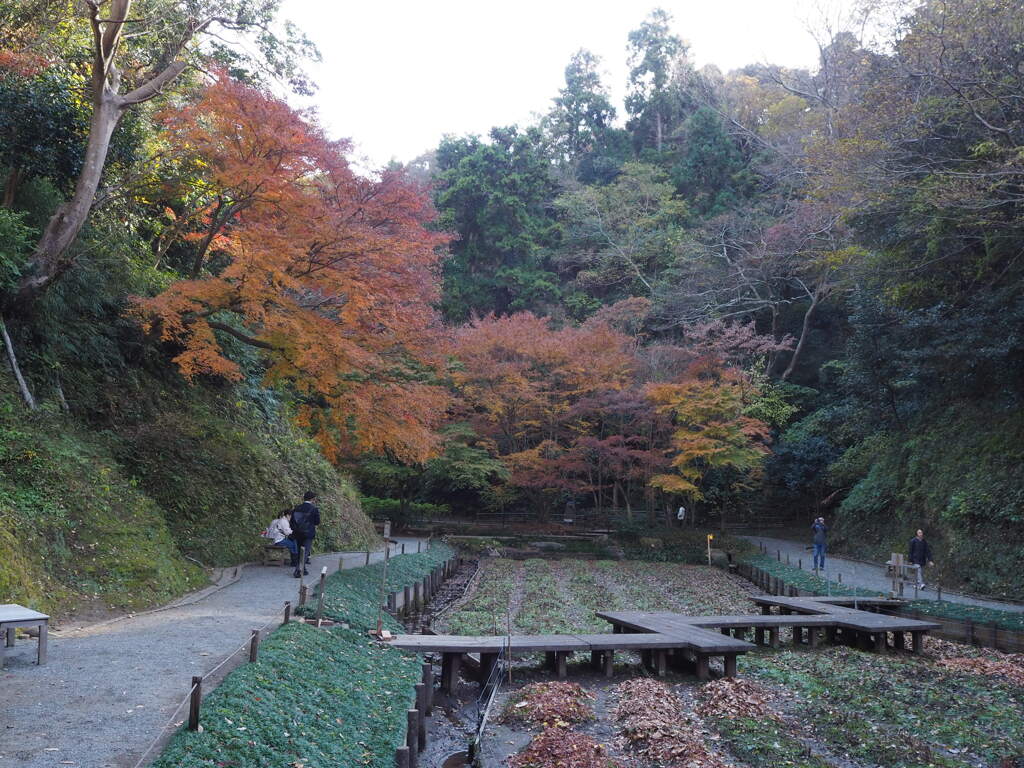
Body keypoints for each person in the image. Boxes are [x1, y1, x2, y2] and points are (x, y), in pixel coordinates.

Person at [290, 491, 321, 578]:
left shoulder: (296, 508)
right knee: (306, 551)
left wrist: (295, 529)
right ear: (312, 499)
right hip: (308, 533)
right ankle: (298, 570)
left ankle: (303, 569)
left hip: (298, 533)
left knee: (300, 551)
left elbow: (292, 522)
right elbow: (317, 522)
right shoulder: (314, 509)